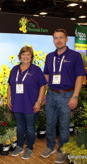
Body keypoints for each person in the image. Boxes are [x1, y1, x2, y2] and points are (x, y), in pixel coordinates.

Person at [41, 29, 85, 163]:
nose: (58, 40)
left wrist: (75, 96)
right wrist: (43, 94)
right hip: (51, 94)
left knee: (64, 126)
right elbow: (46, 76)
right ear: (53, 40)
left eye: (61, 38)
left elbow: (80, 76)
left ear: (66, 39)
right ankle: (50, 147)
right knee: (49, 123)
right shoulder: (49, 56)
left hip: (67, 95)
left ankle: (62, 150)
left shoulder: (75, 56)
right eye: (55, 38)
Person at [7, 46, 47, 159]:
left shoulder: (36, 70)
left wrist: (39, 101)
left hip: (31, 104)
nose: (25, 57)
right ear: (20, 56)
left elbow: (42, 86)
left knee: (30, 128)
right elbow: (10, 85)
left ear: (31, 57)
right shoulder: (14, 69)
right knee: (20, 127)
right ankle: (19, 146)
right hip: (17, 103)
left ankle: (29, 148)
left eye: (28, 54)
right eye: (23, 54)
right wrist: (8, 98)